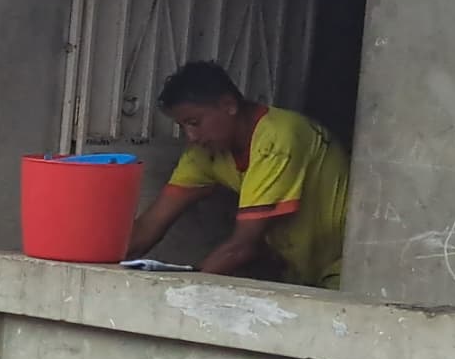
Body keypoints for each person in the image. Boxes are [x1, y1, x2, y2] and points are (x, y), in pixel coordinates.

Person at [132, 59, 350, 287]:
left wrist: (184, 292)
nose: (191, 136)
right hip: (299, 274)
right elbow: (150, 226)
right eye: (183, 126)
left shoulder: (278, 140)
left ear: (229, 105)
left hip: (347, 270)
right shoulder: (205, 154)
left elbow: (242, 247)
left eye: (195, 122)